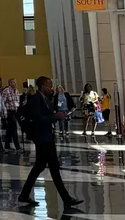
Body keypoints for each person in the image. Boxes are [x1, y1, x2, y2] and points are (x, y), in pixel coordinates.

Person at [17, 76, 82, 210]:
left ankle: (24, 194)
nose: (51, 88)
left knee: (40, 166)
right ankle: (66, 198)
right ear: (42, 86)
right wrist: (55, 117)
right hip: (42, 138)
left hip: (46, 136)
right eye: (48, 85)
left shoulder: (44, 99)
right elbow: (38, 119)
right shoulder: (36, 99)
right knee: (53, 167)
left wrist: (55, 116)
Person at [0, 79, 22, 151]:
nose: (14, 83)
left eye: (15, 82)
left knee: (10, 129)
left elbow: (17, 101)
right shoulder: (6, 91)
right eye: (13, 82)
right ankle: (17, 146)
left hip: (15, 111)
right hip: (9, 112)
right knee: (14, 128)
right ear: (9, 83)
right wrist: (4, 112)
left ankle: (6, 145)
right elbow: (2, 102)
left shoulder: (17, 91)